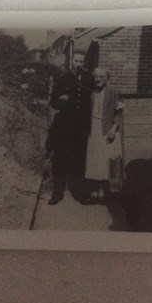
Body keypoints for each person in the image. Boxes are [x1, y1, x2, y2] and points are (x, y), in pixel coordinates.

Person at [46, 52, 93, 205]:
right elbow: (53, 101)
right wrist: (61, 101)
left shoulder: (87, 78)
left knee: (79, 161)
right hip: (65, 127)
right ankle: (57, 195)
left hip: (81, 127)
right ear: (72, 61)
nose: (79, 64)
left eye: (81, 61)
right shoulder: (63, 78)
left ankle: (79, 194)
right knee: (60, 160)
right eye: (76, 61)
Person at [84, 67, 124, 205]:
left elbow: (119, 113)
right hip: (94, 129)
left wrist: (114, 128)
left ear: (107, 78)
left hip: (108, 130)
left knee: (105, 162)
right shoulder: (91, 93)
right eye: (96, 76)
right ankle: (94, 192)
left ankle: (103, 193)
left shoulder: (113, 92)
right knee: (94, 161)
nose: (99, 79)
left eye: (102, 76)